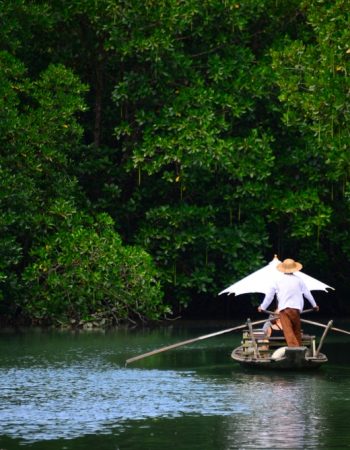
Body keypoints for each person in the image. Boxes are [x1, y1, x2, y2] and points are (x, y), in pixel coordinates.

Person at [258, 258, 319, 347]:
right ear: (294, 269)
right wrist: (314, 305)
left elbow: (270, 296)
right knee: (296, 331)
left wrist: (262, 307)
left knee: (288, 331)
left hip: (284, 310)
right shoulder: (299, 280)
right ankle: (299, 348)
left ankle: (294, 349)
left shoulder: (277, 280)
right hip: (296, 309)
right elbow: (307, 293)